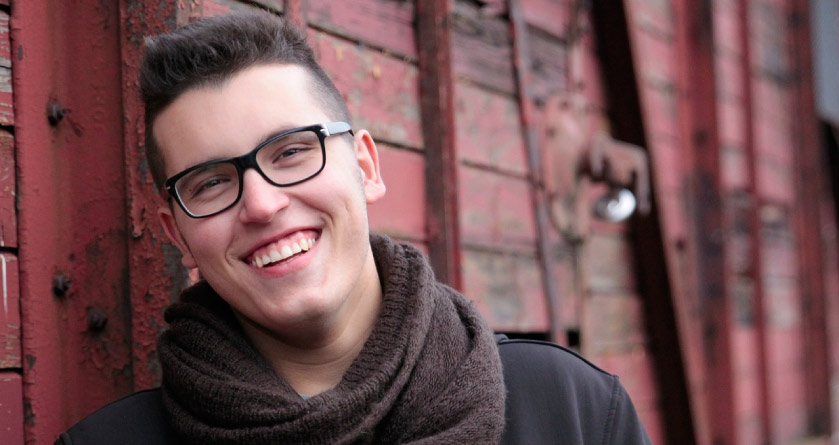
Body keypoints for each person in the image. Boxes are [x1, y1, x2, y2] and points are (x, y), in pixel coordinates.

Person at [57, 10, 651, 444]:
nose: (262, 205)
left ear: (365, 165)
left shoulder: (572, 412)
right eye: (210, 183)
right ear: (176, 231)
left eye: (291, 152)